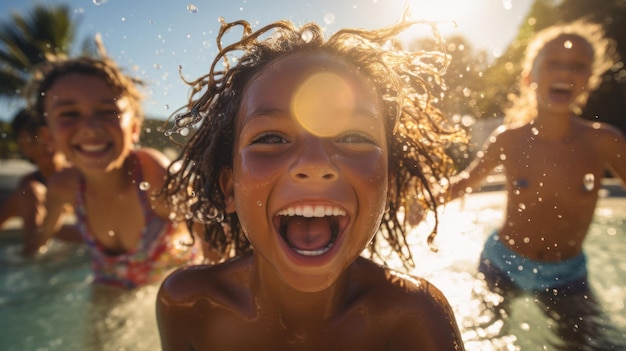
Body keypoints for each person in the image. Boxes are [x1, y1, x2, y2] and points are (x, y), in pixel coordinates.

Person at [156, 17, 465, 350]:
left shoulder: (413, 318)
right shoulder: (189, 306)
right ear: (230, 188)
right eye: (272, 138)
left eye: (352, 136)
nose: (315, 163)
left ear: (386, 190)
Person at [448, 20, 626, 348]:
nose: (565, 72)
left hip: (567, 274)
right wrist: (423, 199)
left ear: (589, 81)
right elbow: (464, 182)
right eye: (553, 63)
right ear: (530, 75)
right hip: (502, 263)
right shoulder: (509, 140)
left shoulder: (604, 142)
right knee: (480, 337)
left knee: (595, 344)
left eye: (578, 66)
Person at [21, 50, 206, 289]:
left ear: (135, 129)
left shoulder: (156, 179)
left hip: (174, 288)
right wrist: (22, 260)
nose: (90, 126)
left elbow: (214, 245)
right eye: (69, 114)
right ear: (49, 137)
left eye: (108, 111)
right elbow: (44, 236)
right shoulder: (62, 188)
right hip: (110, 284)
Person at [0, 108, 80, 244]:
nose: (45, 144)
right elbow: (34, 244)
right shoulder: (30, 189)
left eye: (50, 136)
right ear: (22, 143)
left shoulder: (84, 176)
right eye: (33, 138)